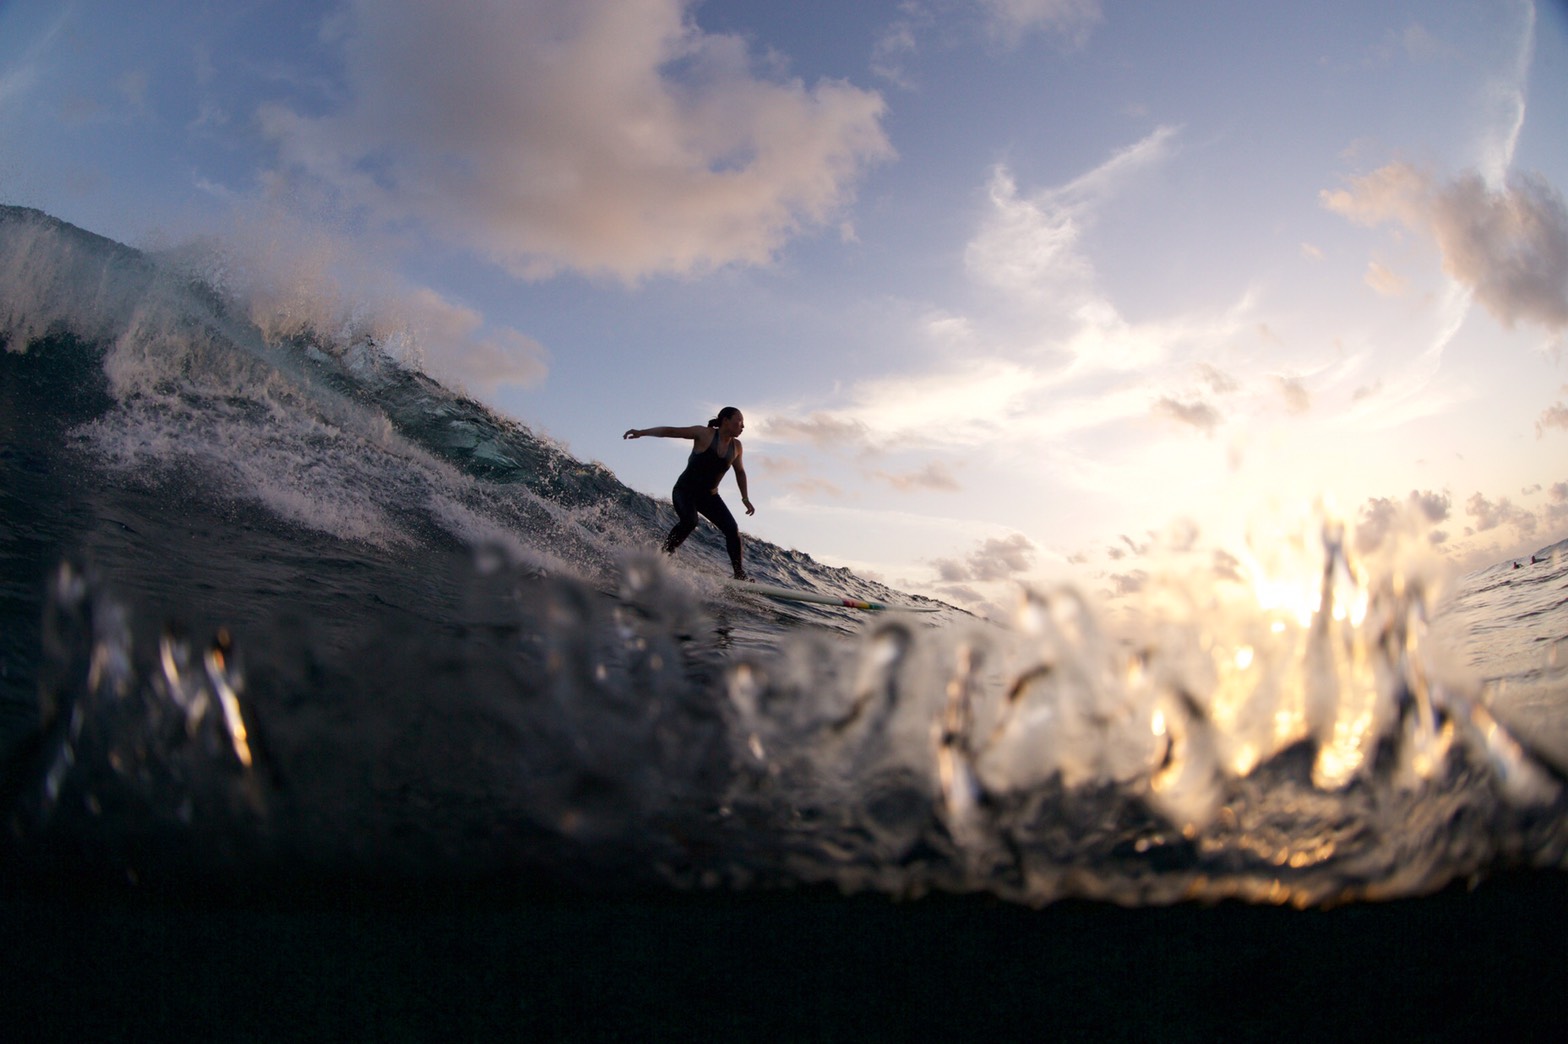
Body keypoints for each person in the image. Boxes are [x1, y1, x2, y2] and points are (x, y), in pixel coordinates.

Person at [624, 406, 754, 580]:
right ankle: (661, 558)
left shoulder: (737, 447)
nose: (743, 426)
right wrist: (642, 432)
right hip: (685, 491)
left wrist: (745, 498)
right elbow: (670, 431)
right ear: (726, 421)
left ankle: (739, 575)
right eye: (739, 421)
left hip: (709, 496)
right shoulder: (704, 434)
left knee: (732, 529)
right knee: (690, 521)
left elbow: (740, 472)